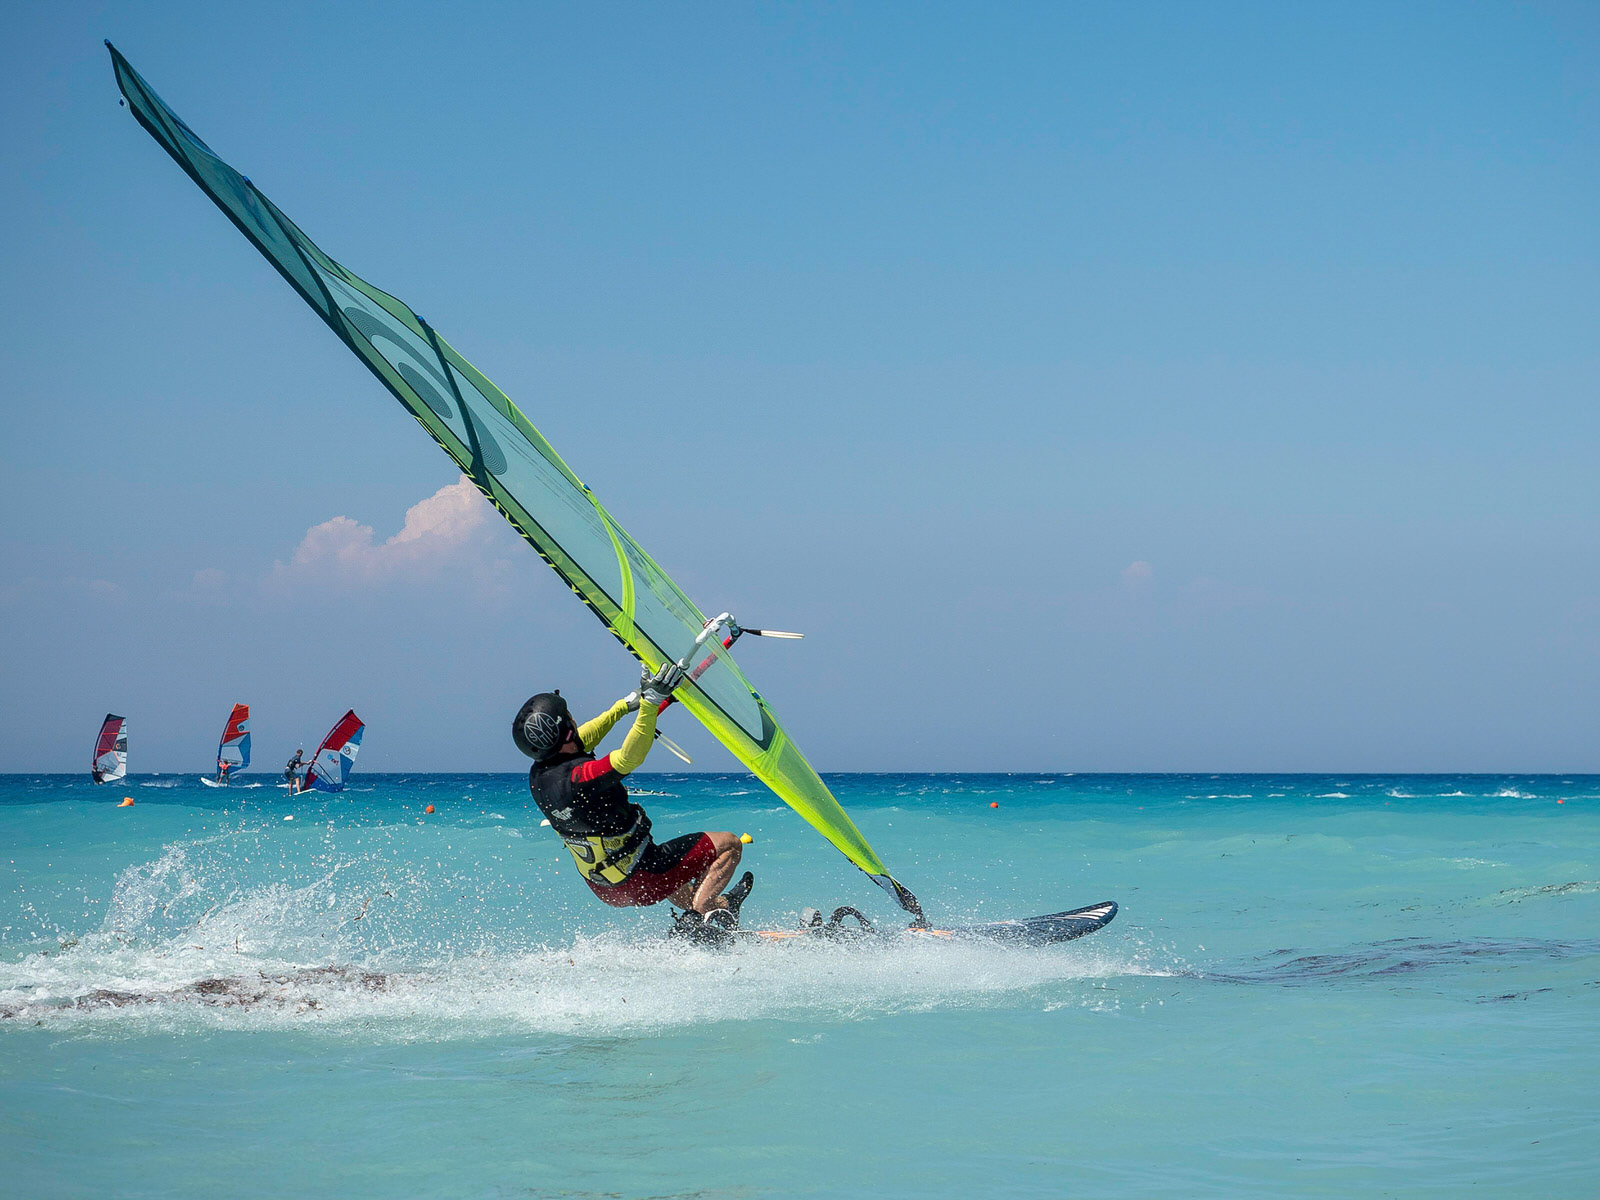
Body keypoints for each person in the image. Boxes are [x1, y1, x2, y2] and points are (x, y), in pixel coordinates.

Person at [515, 663, 752, 925]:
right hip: (642, 876)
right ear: (566, 732)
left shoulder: (540, 776)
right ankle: (695, 923)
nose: (575, 720)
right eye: (570, 717)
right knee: (729, 844)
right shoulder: (580, 778)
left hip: (606, 887)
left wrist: (624, 706)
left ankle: (721, 908)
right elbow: (627, 759)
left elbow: (582, 738)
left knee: (676, 874)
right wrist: (650, 704)